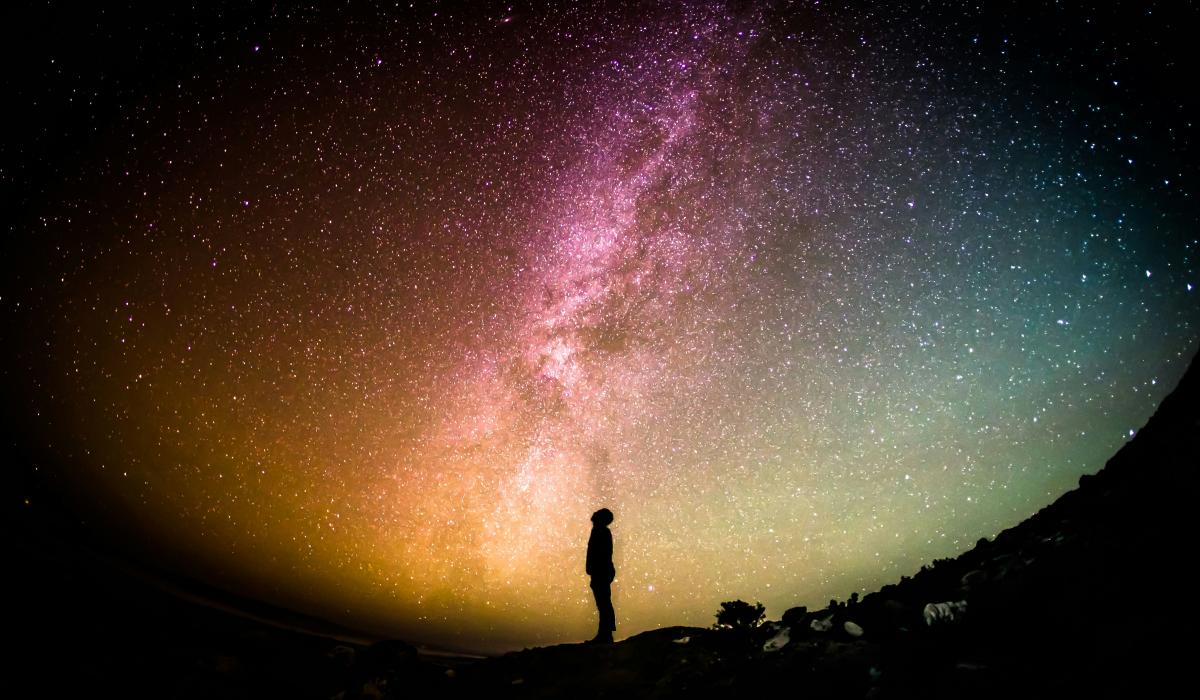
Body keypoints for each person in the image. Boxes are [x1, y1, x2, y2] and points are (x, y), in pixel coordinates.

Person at [586, 508, 616, 644]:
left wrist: (595, 570)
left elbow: (602, 554)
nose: (593, 515)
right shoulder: (599, 531)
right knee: (603, 603)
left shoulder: (601, 532)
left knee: (603, 603)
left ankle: (605, 635)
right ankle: (604, 634)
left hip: (601, 571)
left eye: (597, 515)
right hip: (600, 571)